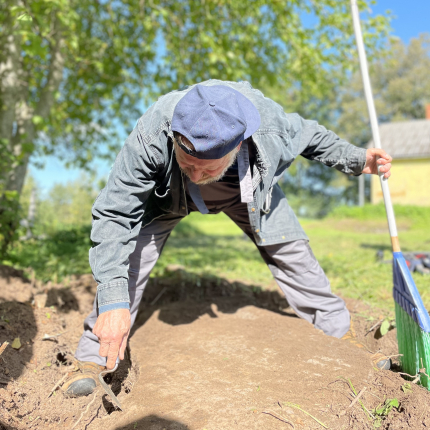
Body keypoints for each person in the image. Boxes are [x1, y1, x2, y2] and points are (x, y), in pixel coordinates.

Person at [62, 80, 392, 397]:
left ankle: (341, 335)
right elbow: (115, 213)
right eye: (188, 163)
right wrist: (113, 302)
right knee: (131, 262)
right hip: (171, 195)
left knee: (292, 253)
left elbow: (312, 135)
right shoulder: (153, 132)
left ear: (237, 145)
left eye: (206, 169)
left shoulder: (270, 124)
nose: (196, 175)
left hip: (248, 192)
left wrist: (356, 159)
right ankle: (94, 357)